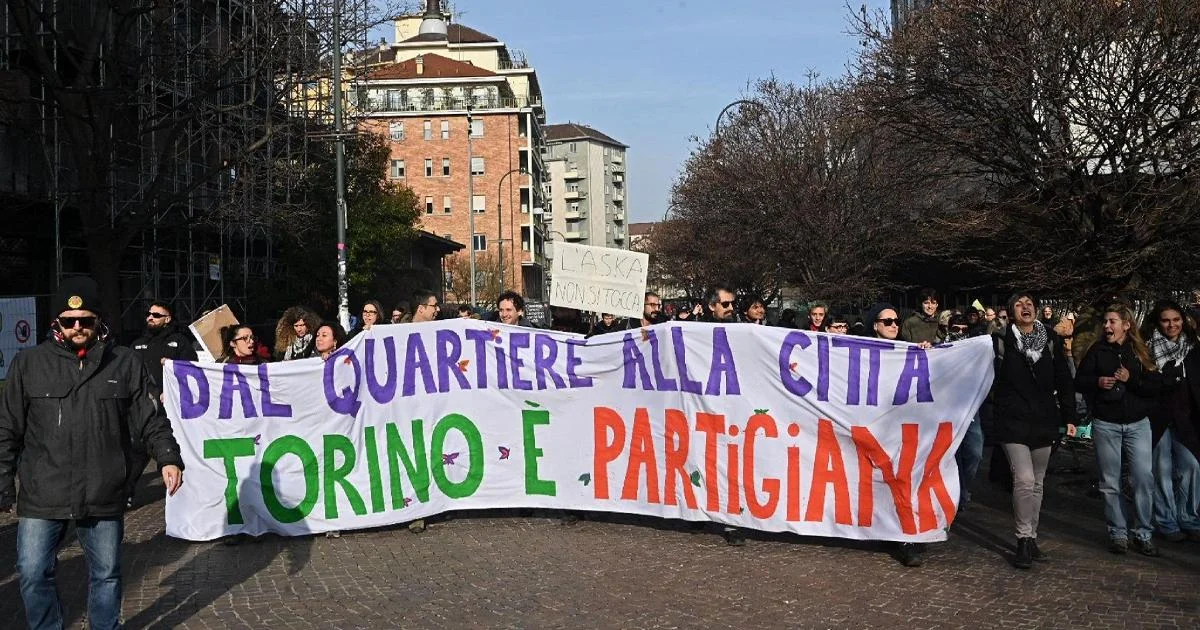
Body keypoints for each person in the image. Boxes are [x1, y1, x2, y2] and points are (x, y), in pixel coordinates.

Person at [0, 276, 185, 630]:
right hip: (43, 491)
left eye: (85, 320)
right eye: (69, 321)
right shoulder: (29, 363)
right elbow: (7, 428)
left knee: (107, 574)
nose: (77, 327)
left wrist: (167, 457)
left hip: (103, 488)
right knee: (32, 572)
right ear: (56, 322)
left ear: (98, 319)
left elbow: (150, 417)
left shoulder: (124, 362)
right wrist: (3, 482)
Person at [990, 293, 1076, 568]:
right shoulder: (1000, 340)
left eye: (1029, 304)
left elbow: (1064, 379)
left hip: (1043, 420)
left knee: (1037, 482)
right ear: (1010, 312)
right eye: (1019, 304)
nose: (1025, 307)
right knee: (1024, 479)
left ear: (1037, 310)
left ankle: (1032, 536)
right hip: (1012, 421)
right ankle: (1023, 539)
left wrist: (1070, 416)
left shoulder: (1051, 339)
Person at [1076, 305, 1165, 556]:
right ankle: (1118, 533)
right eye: (1105, 321)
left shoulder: (1140, 351)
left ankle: (1143, 533)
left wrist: (1131, 379)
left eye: (1112, 321)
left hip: (1138, 423)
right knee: (1109, 481)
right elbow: (1079, 381)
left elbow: (1154, 386)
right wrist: (1097, 382)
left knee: (1143, 479)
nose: (1107, 326)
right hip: (1107, 423)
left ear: (1126, 325)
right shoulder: (1097, 350)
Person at [864, 302, 930, 567]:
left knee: (904, 478)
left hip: (902, 427)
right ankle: (893, 533)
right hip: (874, 427)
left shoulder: (907, 351)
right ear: (875, 326)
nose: (894, 325)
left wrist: (926, 353)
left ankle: (904, 536)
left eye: (896, 321)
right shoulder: (861, 352)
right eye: (887, 321)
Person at [127, 300, 197, 507]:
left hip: (172, 408)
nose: (151, 317)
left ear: (167, 319)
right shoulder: (137, 344)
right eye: (149, 314)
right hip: (143, 408)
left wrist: (174, 391)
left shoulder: (180, 342)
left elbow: (192, 372)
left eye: (157, 315)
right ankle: (125, 493)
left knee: (174, 449)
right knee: (135, 452)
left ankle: (187, 493)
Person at [1144, 300, 1200, 542]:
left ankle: (1189, 517)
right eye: (1166, 320)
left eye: (1176, 319)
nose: (1172, 325)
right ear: (1158, 322)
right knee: (1161, 469)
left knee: (1191, 466)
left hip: (1185, 418)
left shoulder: (1192, 347)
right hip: (1157, 417)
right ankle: (1166, 521)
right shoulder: (1147, 348)